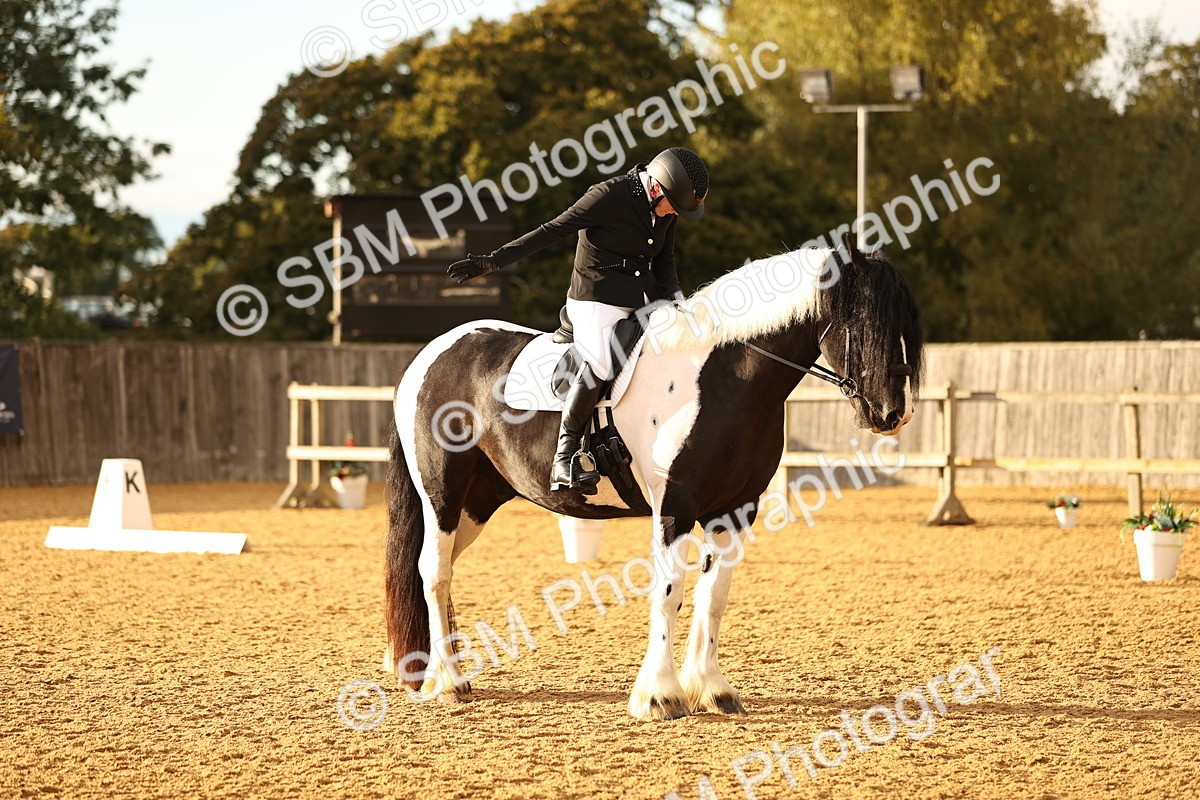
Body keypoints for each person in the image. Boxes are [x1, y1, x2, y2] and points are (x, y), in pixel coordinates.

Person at [448, 147, 710, 494]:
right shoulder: (607, 195)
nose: (672, 215)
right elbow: (552, 230)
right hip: (595, 297)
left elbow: (664, 261)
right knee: (601, 360)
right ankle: (565, 454)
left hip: (643, 297)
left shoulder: (666, 206)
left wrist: (678, 301)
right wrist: (494, 261)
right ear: (659, 188)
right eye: (673, 207)